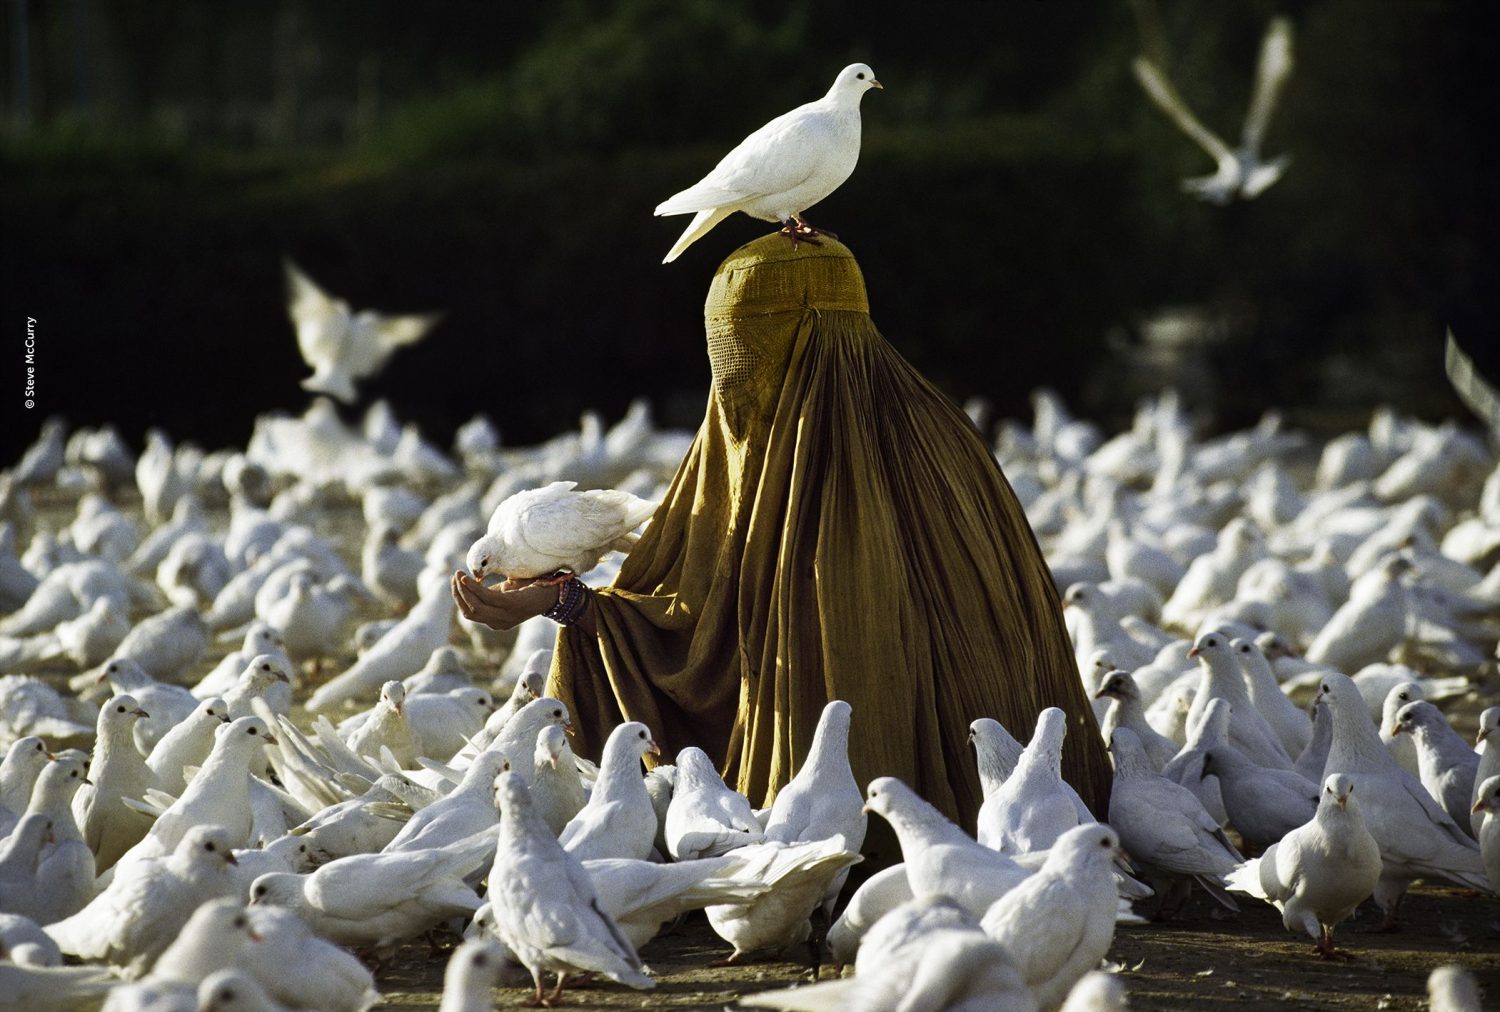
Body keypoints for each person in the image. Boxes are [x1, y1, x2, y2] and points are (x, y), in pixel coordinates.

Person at [452, 234, 1111, 834]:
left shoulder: (900, 463)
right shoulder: (927, 442)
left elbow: (771, 665)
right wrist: (557, 600)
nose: (735, 379)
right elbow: (691, 629)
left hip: (914, 821)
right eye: (723, 353)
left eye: (748, 351)